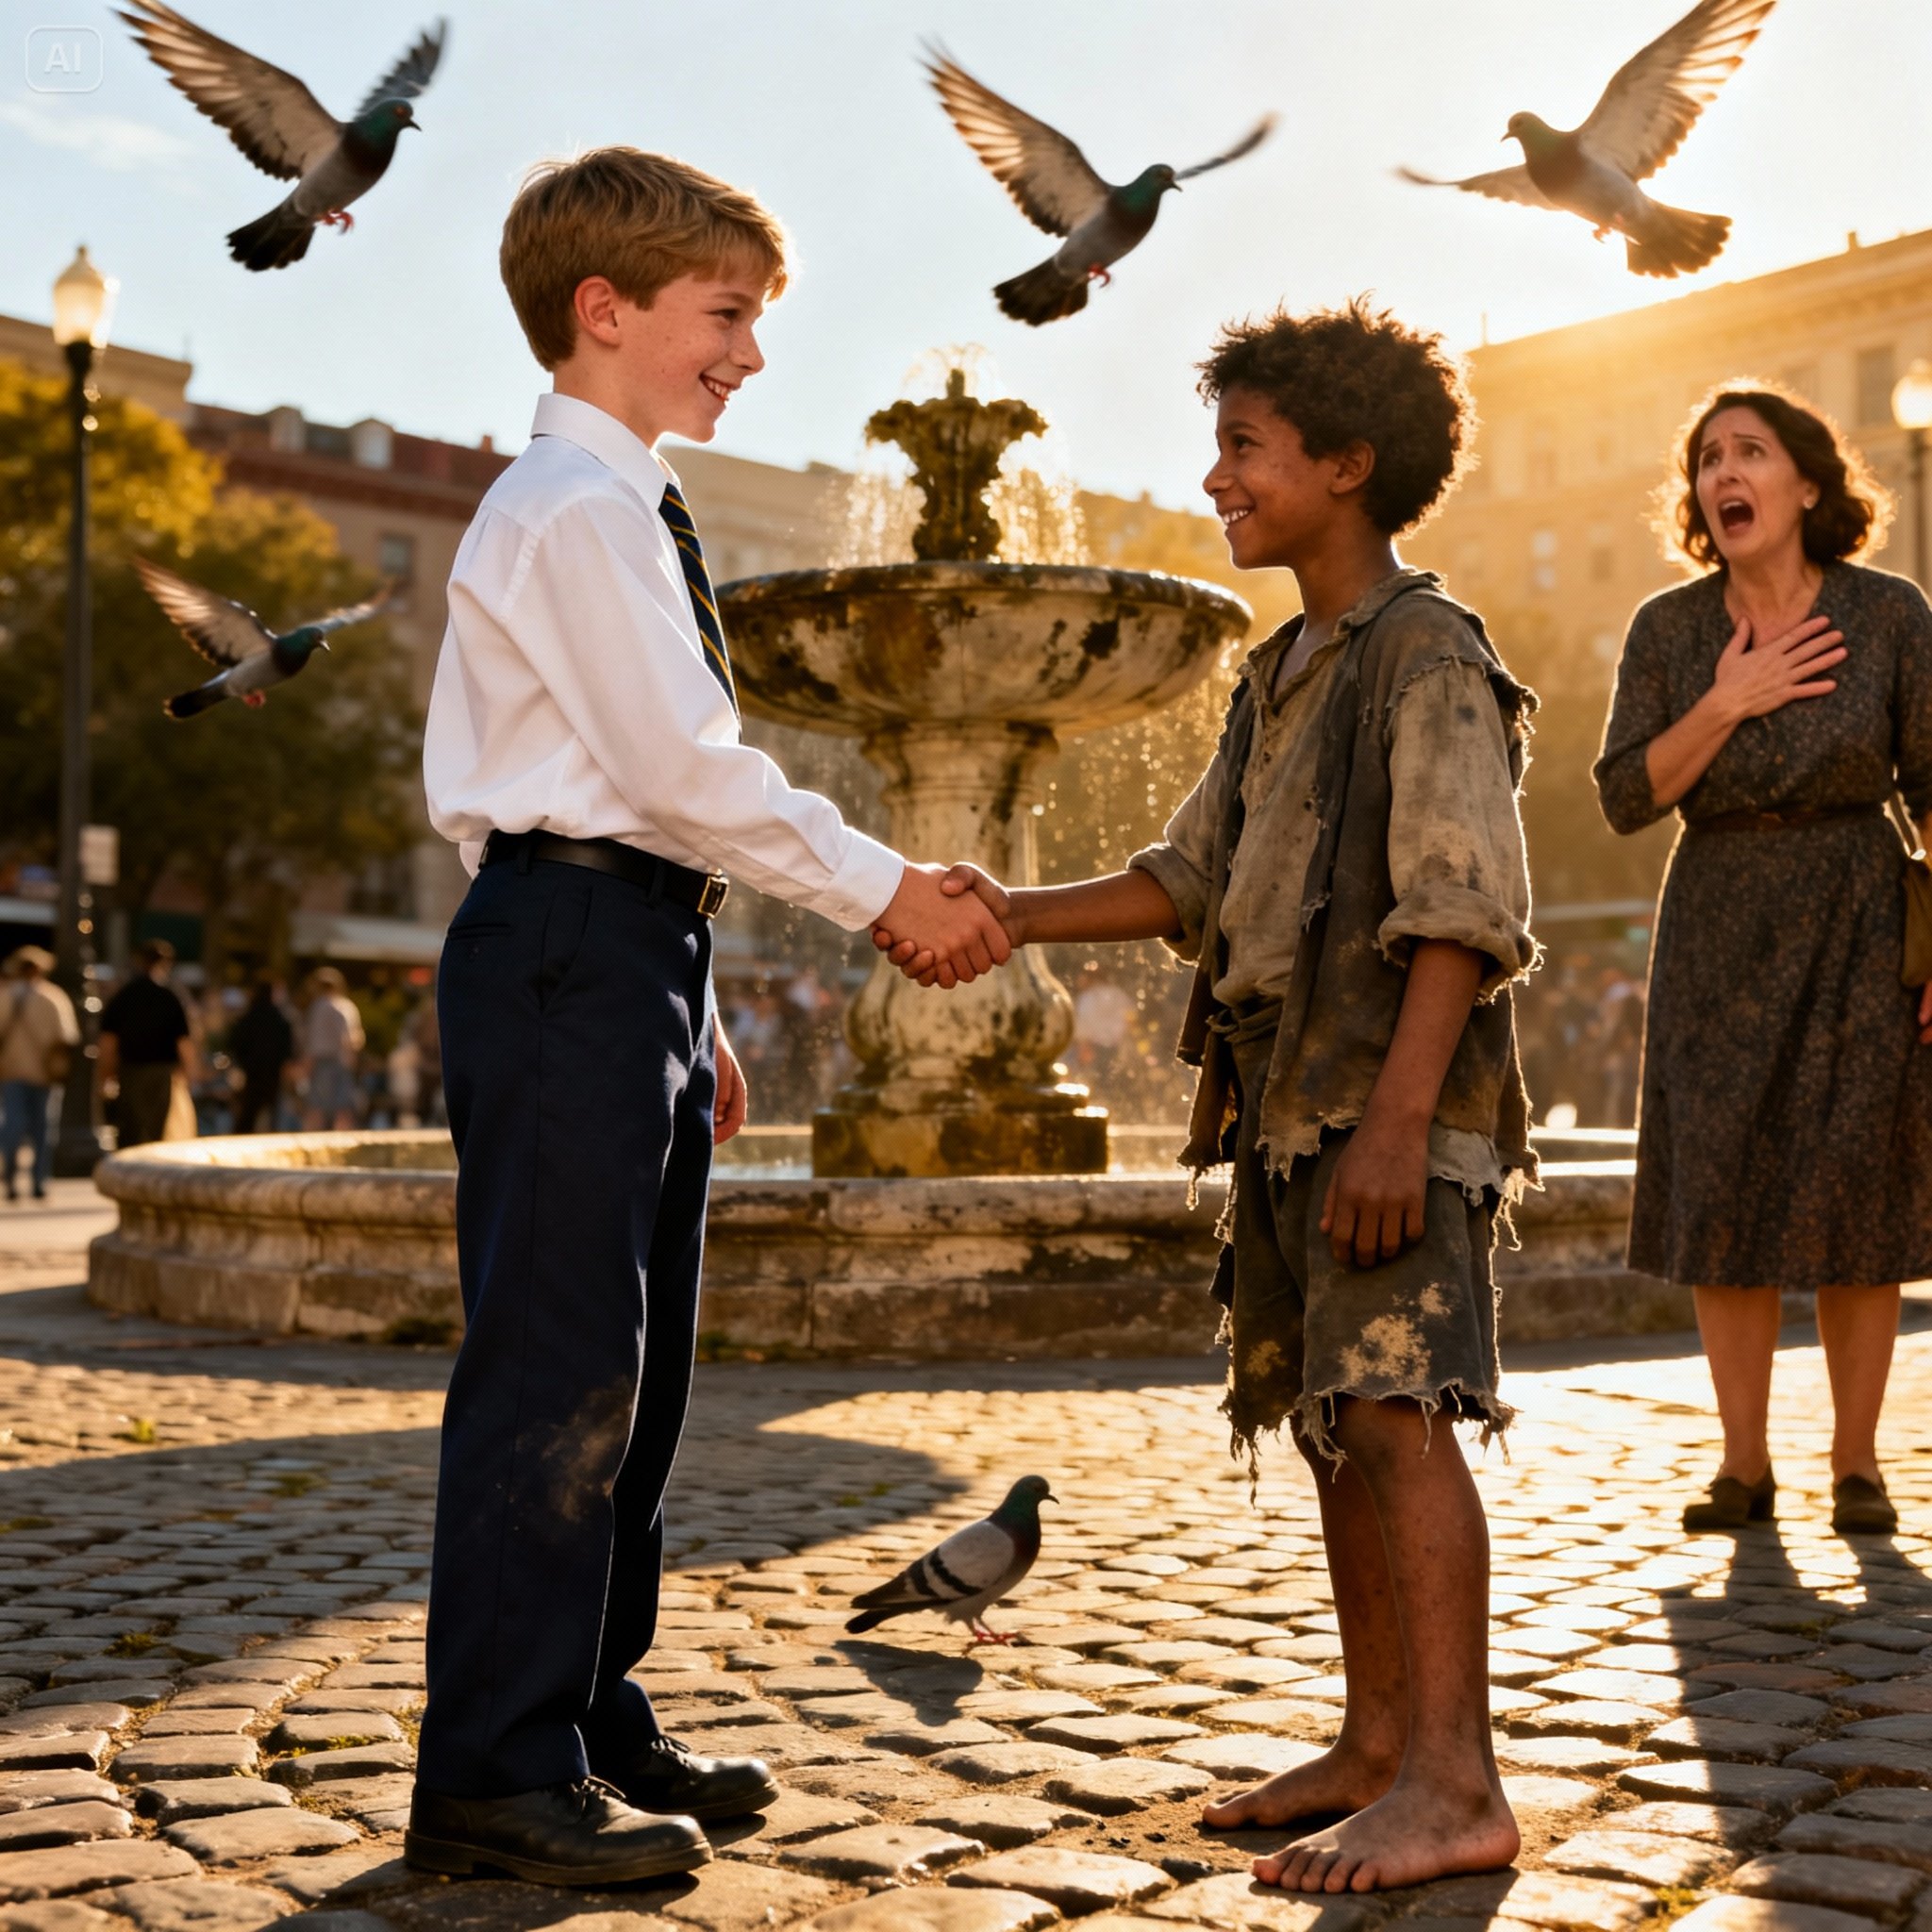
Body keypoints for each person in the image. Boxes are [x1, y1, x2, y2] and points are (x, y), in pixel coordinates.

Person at [411, 146, 1008, 1888]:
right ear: (604, 313)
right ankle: (493, 1768)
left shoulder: (619, 505)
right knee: (557, 1360)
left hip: (621, 942)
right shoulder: (572, 507)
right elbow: (675, 766)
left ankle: (590, 1709)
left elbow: (639, 795)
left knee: (642, 1365)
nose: (748, 352)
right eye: (724, 315)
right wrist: (883, 886)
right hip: (570, 942)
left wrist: (694, 991)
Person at [892, 299, 1537, 1895]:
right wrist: (1016, 908)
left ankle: (1456, 1779)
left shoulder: (1427, 657)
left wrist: (1395, 1123)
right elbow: (1188, 873)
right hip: (1284, 1113)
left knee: (1396, 1418)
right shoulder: (1278, 672)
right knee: (1332, 1426)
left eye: (1245, 447)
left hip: (1383, 1114)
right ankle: (1375, 1744)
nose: (1217, 476)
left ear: (1345, 463)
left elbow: (1461, 908)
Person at [1593, 383, 1932, 1537]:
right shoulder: (1668, 629)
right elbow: (1623, 795)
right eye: (1704, 459)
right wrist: (1727, 700)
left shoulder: (1889, 614)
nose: (1721, 473)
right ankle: (1740, 1462)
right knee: (1724, 1183)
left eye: (1748, 451)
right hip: (1718, 916)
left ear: (1805, 482)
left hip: (1858, 913)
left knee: (1857, 1182)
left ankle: (1855, 1460)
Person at [99, 941, 197, 1149]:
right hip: (161, 1071)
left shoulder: (125, 996)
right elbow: (183, 1040)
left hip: (130, 1069)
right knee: (155, 1128)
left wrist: (106, 1072)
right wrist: (190, 1072)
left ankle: (127, 1173)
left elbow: (109, 1040)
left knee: (130, 1126)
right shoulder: (169, 997)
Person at [0, 947, 79, 1201]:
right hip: (45, 1073)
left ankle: (10, 1177)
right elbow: (68, 1037)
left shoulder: (4, 996)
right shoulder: (53, 997)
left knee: (13, 1124)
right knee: (43, 1130)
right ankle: (38, 1181)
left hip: (10, 1070)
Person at [299, 968, 365, 1130]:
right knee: (342, 1107)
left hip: (322, 1061)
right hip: (342, 1061)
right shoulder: (347, 1006)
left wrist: (305, 1064)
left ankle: (315, 1144)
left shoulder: (319, 1006)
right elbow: (354, 1038)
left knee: (318, 1107)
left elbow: (312, 1040)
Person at [227, 977, 294, 1134]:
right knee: (272, 1116)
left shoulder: (248, 1017)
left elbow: (236, 1044)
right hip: (273, 1074)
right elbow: (286, 1049)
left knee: (248, 1114)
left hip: (252, 1073)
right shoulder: (280, 1018)